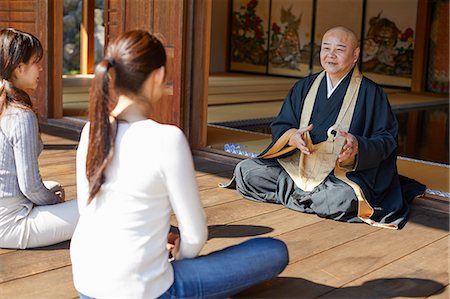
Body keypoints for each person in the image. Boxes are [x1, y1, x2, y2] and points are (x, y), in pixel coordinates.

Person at [70, 30, 288, 299]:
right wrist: (179, 256)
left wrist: (160, 239)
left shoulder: (91, 130)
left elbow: (88, 209)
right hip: (145, 291)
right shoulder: (166, 138)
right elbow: (195, 236)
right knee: (273, 252)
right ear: (159, 75)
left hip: (87, 283)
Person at [234, 26, 424, 230]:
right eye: (326, 48)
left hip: (340, 174)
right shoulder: (304, 87)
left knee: (341, 198)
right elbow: (282, 124)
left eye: (339, 50)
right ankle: (308, 197)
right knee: (246, 171)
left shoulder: (371, 93)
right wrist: (292, 137)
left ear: (355, 54)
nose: (330, 55)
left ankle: (298, 195)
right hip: (298, 166)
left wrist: (358, 147)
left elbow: (387, 140)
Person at [0, 28, 79, 249]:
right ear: (19, 68)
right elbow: (31, 188)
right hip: (11, 224)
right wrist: (54, 203)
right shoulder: (20, 115)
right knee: (101, 208)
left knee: (55, 187)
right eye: (36, 62)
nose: (41, 68)